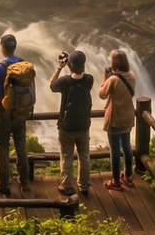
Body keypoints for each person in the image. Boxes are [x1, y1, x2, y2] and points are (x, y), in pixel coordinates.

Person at [50, 50, 95, 197]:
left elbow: (51, 85)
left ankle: (67, 186)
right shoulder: (89, 80)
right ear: (84, 65)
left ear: (70, 65)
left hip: (67, 126)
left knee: (66, 155)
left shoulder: (64, 82)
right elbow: (80, 76)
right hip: (83, 125)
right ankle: (83, 185)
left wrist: (59, 67)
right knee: (84, 155)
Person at [0, 33, 23, 194]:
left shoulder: (0, 67)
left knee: (3, 148)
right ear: (14, 47)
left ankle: (3, 183)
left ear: (2, 47)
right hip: (21, 110)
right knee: (21, 146)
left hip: (4, 112)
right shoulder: (24, 64)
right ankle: (25, 181)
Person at [100, 50, 139, 189]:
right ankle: (128, 177)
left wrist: (105, 77)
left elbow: (102, 94)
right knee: (127, 147)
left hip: (115, 118)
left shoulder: (113, 79)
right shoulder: (132, 75)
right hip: (128, 116)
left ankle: (116, 181)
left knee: (115, 151)